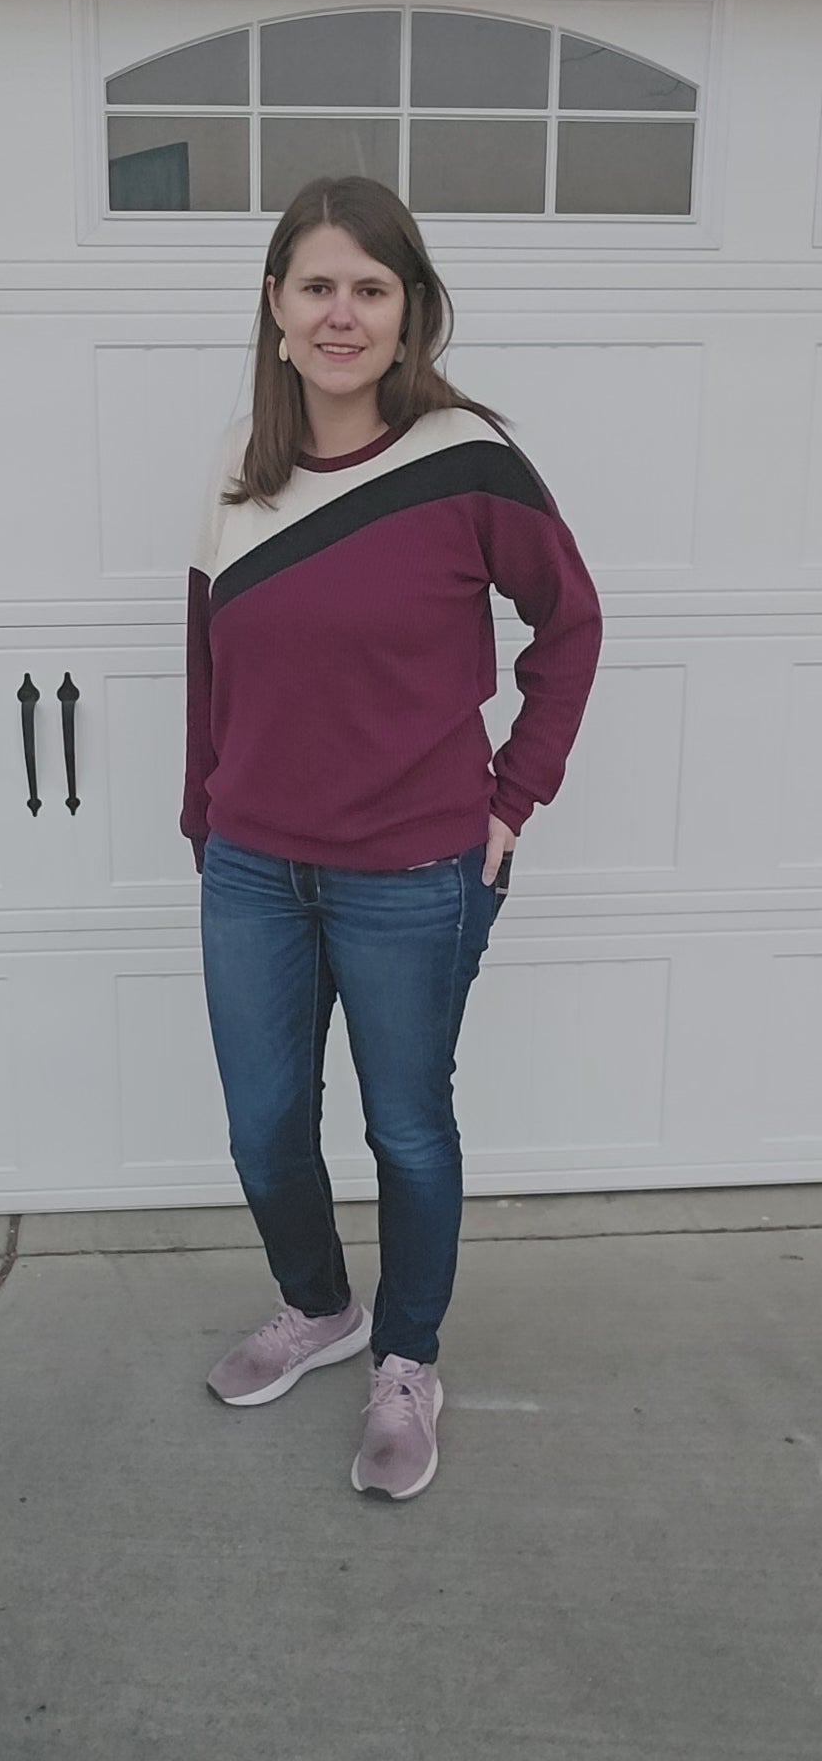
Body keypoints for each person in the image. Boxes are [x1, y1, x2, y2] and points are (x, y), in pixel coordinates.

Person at [180, 175, 602, 1502]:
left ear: (410, 310)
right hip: (254, 869)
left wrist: (513, 796)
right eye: (317, 286)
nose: (341, 313)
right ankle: (321, 1308)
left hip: (415, 871)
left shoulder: (468, 461)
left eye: (370, 288)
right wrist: (205, 818)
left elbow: (572, 624)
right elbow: (206, 662)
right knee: (264, 1129)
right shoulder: (240, 470)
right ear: (276, 305)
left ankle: (407, 1360)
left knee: (408, 1132)